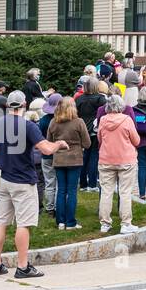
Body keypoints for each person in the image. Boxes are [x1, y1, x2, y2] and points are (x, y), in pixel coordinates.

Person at [0, 91, 69, 279]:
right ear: (24, 105)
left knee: (1, 221)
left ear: (8, 106)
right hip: (23, 180)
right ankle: (23, 267)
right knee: (23, 224)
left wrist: (3, 150)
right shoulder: (28, 126)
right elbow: (47, 149)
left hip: (2, 178)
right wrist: (59, 143)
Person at [96, 94, 141, 234]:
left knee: (106, 192)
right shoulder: (127, 120)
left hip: (106, 159)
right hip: (125, 160)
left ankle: (105, 223)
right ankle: (126, 223)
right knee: (125, 192)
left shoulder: (102, 120)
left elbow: (99, 139)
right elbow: (136, 140)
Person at [46, 96, 91, 230]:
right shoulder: (79, 122)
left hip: (59, 159)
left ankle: (60, 221)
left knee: (61, 190)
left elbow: (48, 141)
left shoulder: (53, 122)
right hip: (74, 159)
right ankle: (70, 222)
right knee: (71, 191)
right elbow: (87, 143)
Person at [74, 77, 107, 193]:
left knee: (85, 156)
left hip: (82, 130)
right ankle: (92, 184)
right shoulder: (100, 99)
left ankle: (83, 184)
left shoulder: (79, 99)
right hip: (94, 130)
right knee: (94, 156)